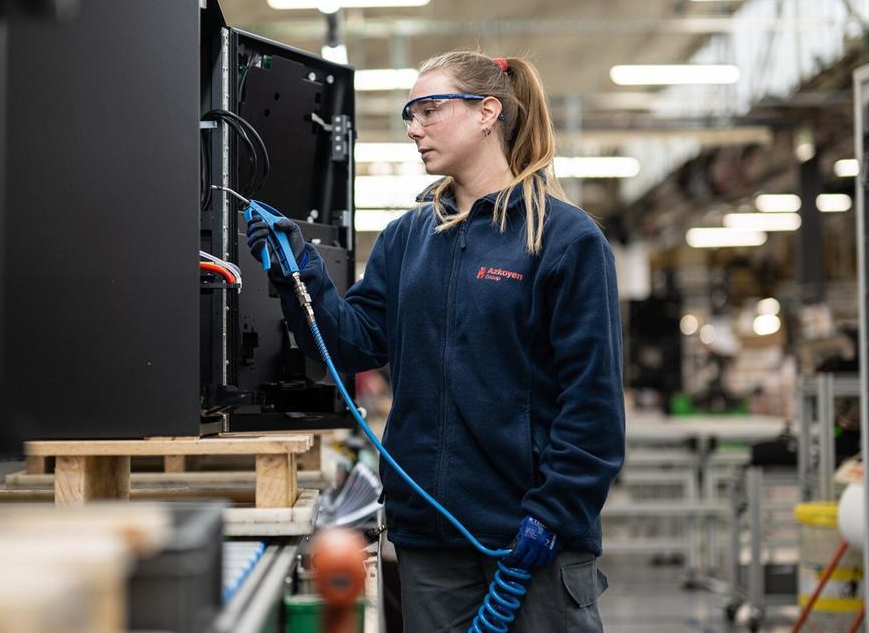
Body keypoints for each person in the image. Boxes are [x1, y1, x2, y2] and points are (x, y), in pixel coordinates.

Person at [247, 51, 624, 632]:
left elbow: (592, 403)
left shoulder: (564, 238)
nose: (413, 127)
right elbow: (353, 345)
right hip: (429, 538)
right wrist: (298, 270)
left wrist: (554, 512)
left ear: (486, 113)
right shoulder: (407, 239)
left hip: (532, 539)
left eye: (428, 109)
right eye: (408, 114)